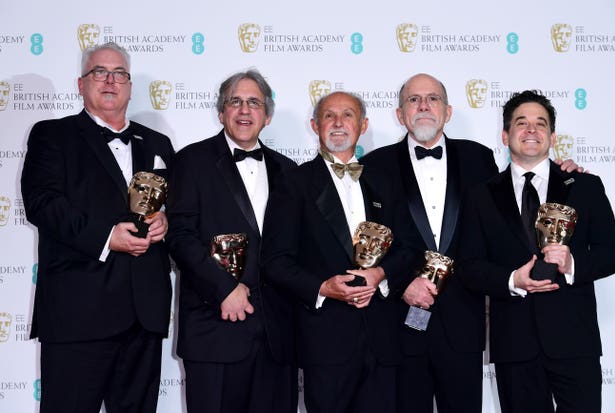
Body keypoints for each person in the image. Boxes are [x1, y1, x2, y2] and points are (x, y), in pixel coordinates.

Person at [361, 73, 581, 413]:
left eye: (432, 98)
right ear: (400, 114)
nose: (423, 106)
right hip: (399, 319)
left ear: (448, 112)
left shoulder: (479, 158)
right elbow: (365, 233)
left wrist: (563, 172)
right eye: (413, 100)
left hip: (463, 318)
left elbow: (513, 204)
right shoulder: (376, 165)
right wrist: (400, 284)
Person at [21, 42, 174, 412]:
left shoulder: (157, 143)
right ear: (81, 84)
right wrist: (107, 237)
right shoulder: (51, 135)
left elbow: (175, 210)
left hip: (144, 315)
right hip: (78, 315)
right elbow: (42, 204)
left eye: (119, 73)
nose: (110, 80)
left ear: (130, 85)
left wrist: (165, 223)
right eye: (99, 72)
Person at [457, 90, 615, 413]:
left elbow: (613, 254)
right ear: (506, 135)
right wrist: (511, 280)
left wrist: (573, 262)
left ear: (552, 135)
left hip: (575, 342)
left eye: (540, 123)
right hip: (514, 345)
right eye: (521, 123)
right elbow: (468, 266)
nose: (531, 130)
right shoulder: (481, 196)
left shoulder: (585, 186)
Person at [261, 91, 421, 413]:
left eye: (347, 115)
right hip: (325, 343)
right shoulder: (294, 183)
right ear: (314, 125)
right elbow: (275, 262)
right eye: (329, 116)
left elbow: (410, 248)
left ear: (362, 125)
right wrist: (322, 288)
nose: (338, 123)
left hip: (382, 339)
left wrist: (380, 275)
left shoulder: (385, 182)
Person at [165, 70, 298, 413]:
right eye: (235, 101)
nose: (244, 110)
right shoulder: (191, 161)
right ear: (221, 111)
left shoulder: (289, 170)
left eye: (253, 102)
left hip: (276, 336)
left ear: (267, 115)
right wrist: (223, 288)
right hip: (214, 329)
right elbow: (180, 236)